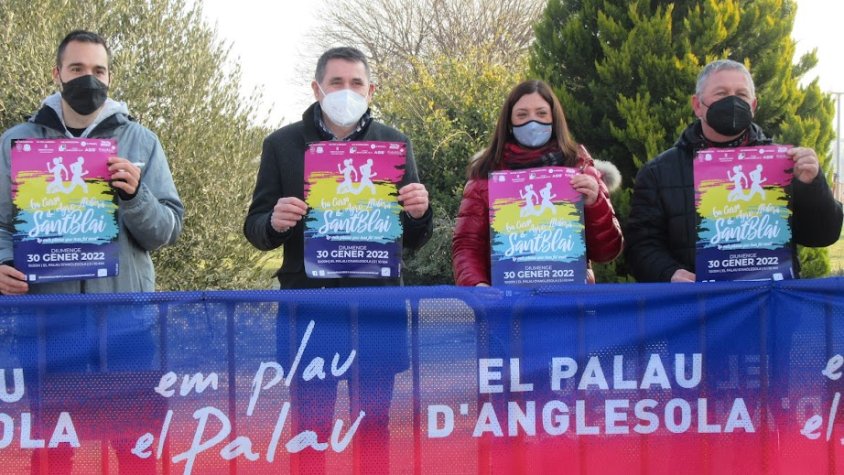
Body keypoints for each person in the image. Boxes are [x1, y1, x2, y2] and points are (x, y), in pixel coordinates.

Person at [0, 30, 183, 474]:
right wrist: (2, 262)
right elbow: (2, 224)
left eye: (98, 70)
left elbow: (167, 230)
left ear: (110, 77)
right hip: (48, 323)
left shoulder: (141, 141)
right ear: (57, 74)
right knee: (51, 450)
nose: (89, 79)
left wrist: (136, 195)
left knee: (136, 448)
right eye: (78, 68)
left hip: (127, 323)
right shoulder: (16, 141)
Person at [243, 46, 432, 474]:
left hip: (377, 314)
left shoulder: (395, 144)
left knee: (374, 430)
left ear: (371, 90)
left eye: (356, 83)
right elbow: (255, 228)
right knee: (310, 432)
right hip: (309, 314)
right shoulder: (281, 145)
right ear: (317, 88)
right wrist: (273, 222)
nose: (347, 91)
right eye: (336, 82)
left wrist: (420, 213)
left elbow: (415, 238)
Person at [625, 59, 843, 282]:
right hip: (696, 300)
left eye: (741, 94)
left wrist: (813, 185)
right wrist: (669, 273)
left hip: (769, 299)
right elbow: (640, 245)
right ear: (697, 105)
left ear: (753, 106)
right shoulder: (658, 172)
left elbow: (822, 235)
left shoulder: (786, 164)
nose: (732, 101)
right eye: (721, 93)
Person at [452, 79, 623, 286]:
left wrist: (595, 204)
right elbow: (467, 245)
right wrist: (477, 285)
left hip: (570, 299)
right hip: (505, 300)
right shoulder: (485, 175)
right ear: (509, 122)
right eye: (522, 115)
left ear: (554, 118)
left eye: (541, 113)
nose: (532, 122)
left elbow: (607, 252)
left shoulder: (580, 168)